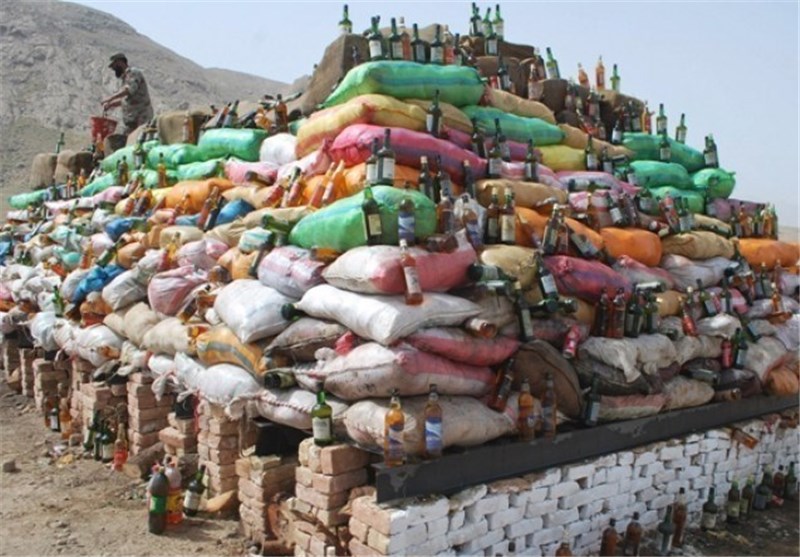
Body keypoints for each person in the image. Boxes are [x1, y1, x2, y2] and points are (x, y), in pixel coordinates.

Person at [101, 53, 154, 136]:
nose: (113, 69)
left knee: (141, 138)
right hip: (131, 120)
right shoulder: (125, 78)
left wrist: (110, 98)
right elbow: (125, 100)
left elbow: (128, 90)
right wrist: (110, 104)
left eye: (113, 66)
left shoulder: (133, 73)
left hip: (141, 117)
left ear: (120, 62)